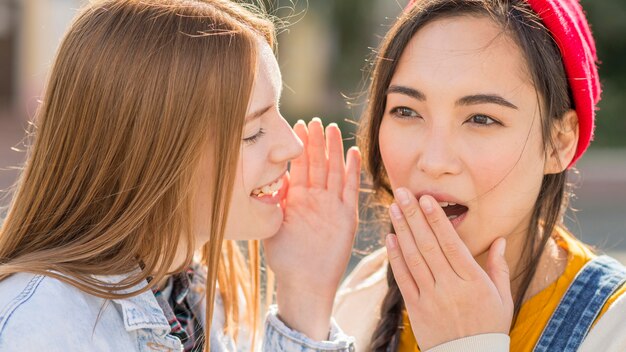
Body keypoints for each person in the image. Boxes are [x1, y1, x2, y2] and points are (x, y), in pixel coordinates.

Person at [0, 0, 360, 351]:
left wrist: (305, 297)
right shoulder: (36, 328)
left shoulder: (203, 302)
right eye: (252, 132)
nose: (292, 145)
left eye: (277, 111)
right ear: (152, 154)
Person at [333, 0, 626, 351]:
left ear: (559, 142)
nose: (433, 160)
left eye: (481, 119)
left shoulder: (614, 325)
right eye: (406, 111)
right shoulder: (361, 294)